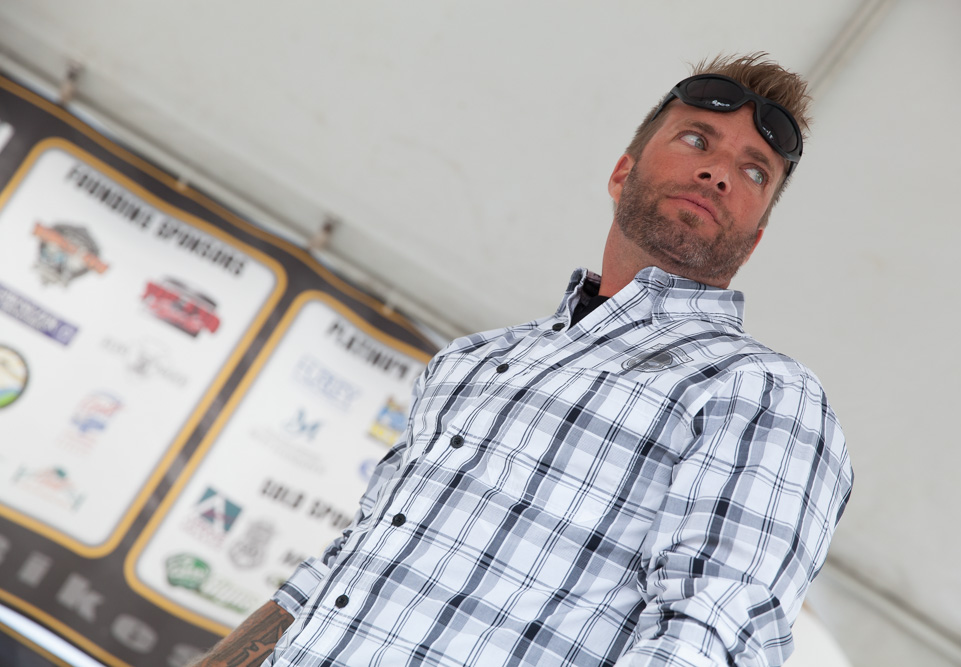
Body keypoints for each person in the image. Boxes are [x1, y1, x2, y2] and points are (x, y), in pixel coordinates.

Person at [194, 52, 853, 667]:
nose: (718, 173)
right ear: (621, 173)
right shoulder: (474, 361)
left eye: (754, 171)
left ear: (754, 240)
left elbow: (708, 640)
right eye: (696, 140)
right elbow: (340, 569)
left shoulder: (761, 392)